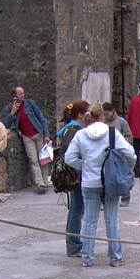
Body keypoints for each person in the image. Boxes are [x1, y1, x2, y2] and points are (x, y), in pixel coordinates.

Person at [64, 106, 136, 267]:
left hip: (89, 181)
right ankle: (115, 257)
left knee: (89, 220)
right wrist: (127, 167)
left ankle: (87, 257)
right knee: (112, 219)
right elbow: (130, 154)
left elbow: (69, 158)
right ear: (102, 117)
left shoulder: (81, 134)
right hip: (109, 180)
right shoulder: (112, 133)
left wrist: (84, 165)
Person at [55, 101, 90, 258]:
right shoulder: (75, 131)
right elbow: (72, 154)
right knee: (77, 209)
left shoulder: (69, 129)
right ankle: (73, 244)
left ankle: (73, 243)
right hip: (76, 174)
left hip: (73, 173)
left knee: (76, 209)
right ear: (81, 114)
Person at [2, 85, 51, 194]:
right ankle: (40, 183)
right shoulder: (9, 108)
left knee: (43, 158)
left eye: (23, 93)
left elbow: (41, 118)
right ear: (14, 95)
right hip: (26, 136)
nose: (23, 95)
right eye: (20, 93)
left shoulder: (30, 104)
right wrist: (13, 112)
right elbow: (6, 124)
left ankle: (45, 180)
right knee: (33, 159)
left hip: (38, 133)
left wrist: (46, 134)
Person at [101, 102, 133, 205]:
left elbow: (129, 136)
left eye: (107, 114)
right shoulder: (101, 122)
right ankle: (106, 197)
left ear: (112, 111)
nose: (105, 116)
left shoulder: (121, 122)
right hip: (106, 153)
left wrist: (123, 146)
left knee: (122, 174)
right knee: (107, 176)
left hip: (119, 153)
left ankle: (125, 197)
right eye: (104, 114)